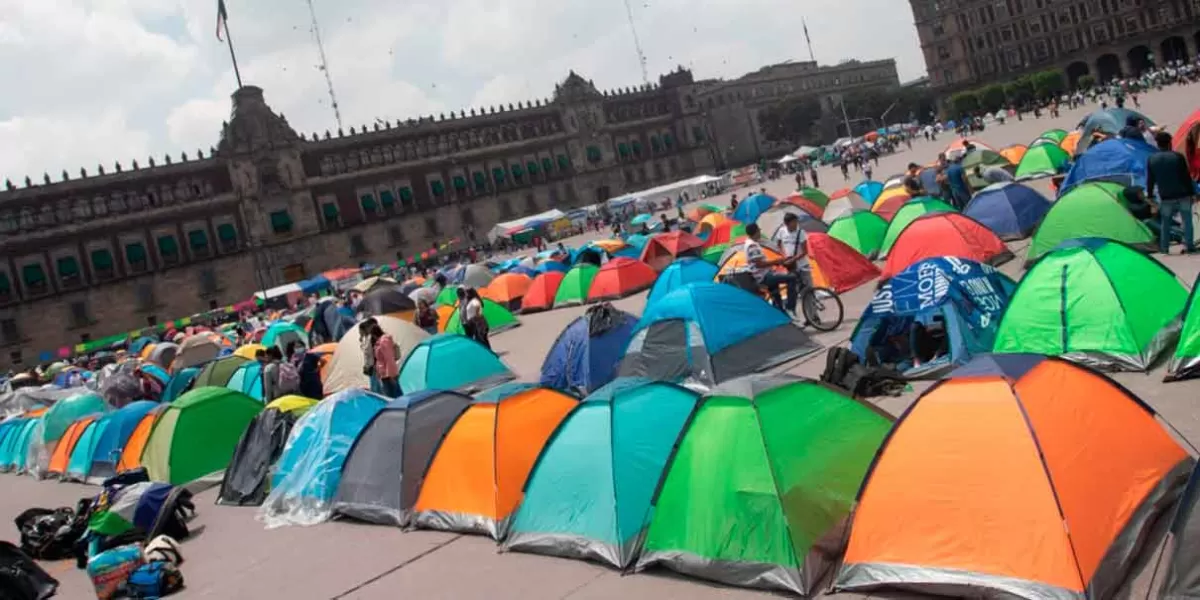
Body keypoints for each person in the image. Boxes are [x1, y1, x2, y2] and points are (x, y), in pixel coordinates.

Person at [1147, 131, 1198, 254]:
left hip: (1166, 196)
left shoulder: (1152, 159)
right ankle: (1189, 245)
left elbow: (1150, 180)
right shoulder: (1177, 157)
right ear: (1170, 143)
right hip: (1182, 194)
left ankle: (1165, 248)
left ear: (1158, 144)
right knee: (1187, 220)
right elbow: (1185, 177)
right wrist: (1193, 192)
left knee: (1166, 222)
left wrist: (1149, 195)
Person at [743, 223, 801, 316]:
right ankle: (790, 307)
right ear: (756, 231)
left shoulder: (750, 243)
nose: (760, 233)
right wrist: (775, 261)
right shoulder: (752, 245)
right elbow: (759, 264)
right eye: (759, 231)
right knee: (792, 278)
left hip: (764, 273)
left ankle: (781, 313)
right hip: (763, 276)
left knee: (777, 298)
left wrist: (776, 262)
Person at [371, 323, 401, 397]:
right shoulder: (380, 342)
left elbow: (389, 358)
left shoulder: (383, 342)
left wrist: (391, 375)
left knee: (393, 394)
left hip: (388, 374)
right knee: (391, 394)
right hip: (385, 374)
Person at [359, 316, 380, 393]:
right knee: (374, 384)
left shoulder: (372, 338)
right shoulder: (367, 338)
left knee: (376, 385)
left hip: (374, 365)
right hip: (371, 365)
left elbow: (369, 351)